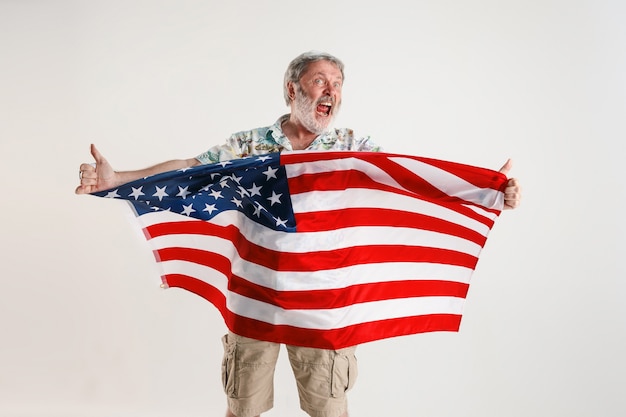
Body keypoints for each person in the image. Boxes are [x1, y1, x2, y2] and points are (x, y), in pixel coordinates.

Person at [76, 51, 522, 417]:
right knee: (243, 409)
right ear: (292, 90)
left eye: (338, 83)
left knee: (330, 411)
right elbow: (192, 171)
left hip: (323, 303)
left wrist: (485, 190)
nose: (332, 91)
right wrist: (120, 178)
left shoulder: (352, 147)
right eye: (320, 81)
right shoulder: (251, 145)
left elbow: (408, 181)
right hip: (255, 297)